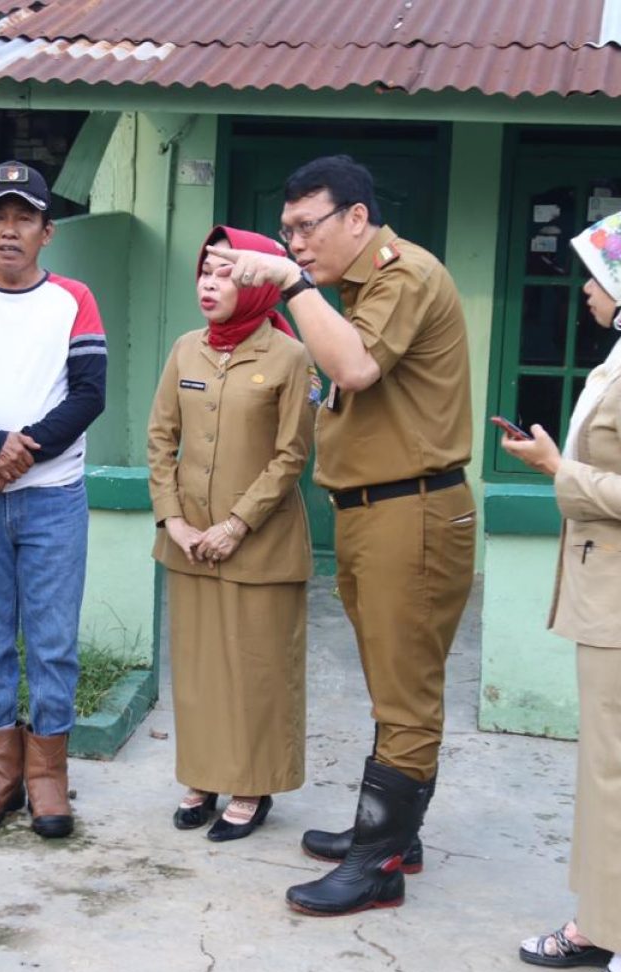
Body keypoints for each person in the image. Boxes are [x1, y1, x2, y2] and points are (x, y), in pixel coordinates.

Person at [208, 154, 475, 915]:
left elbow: (353, 370)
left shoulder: (403, 274)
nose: (295, 243)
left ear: (357, 217)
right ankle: (394, 834)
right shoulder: (357, 288)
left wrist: (291, 285)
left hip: (411, 511)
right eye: (286, 230)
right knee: (392, 681)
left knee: (405, 693)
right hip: (376, 510)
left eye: (306, 226)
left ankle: (378, 863)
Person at [0, 160, 107, 840]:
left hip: (53, 496)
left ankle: (48, 777)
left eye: (24, 218)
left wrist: (19, 452)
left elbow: (89, 393)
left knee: (53, 641)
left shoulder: (73, 300)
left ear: (46, 232)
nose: (11, 230)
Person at [147, 226, 316, 842]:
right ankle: (202, 776)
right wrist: (174, 520)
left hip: (261, 544)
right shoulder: (185, 349)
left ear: (258, 284)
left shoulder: (290, 357)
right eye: (204, 271)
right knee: (198, 672)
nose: (209, 284)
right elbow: (160, 439)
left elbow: (292, 455)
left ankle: (252, 785)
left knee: (256, 670)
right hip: (190, 542)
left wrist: (236, 523)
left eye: (226, 273)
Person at [503, 211, 621, 972]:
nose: (584, 288)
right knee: (602, 774)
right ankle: (602, 922)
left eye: (599, 275)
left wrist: (556, 469)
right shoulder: (616, 356)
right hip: (601, 592)